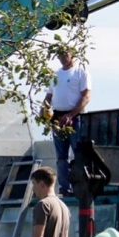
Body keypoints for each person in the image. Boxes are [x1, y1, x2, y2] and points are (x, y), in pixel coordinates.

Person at [43, 49, 91, 195]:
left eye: (65, 54)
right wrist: (43, 109)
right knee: (61, 157)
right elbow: (49, 96)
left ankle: (80, 187)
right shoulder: (55, 74)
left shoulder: (80, 72)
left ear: (72, 54)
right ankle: (65, 188)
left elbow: (86, 97)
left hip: (75, 117)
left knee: (78, 154)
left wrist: (71, 114)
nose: (62, 58)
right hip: (57, 117)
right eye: (60, 55)